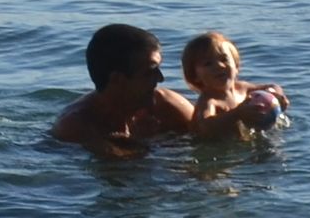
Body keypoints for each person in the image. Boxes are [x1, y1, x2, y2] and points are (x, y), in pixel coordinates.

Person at [49, 24, 200, 154]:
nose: (160, 78)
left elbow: (209, 136)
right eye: (150, 71)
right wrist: (142, 142)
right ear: (117, 80)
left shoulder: (167, 104)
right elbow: (120, 174)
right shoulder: (77, 126)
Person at [176, 30, 288, 135]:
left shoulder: (243, 89)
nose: (219, 66)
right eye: (208, 64)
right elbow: (206, 125)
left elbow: (272, 86)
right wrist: (237, 114)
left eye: (224, 59)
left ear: (236, 66)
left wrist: (276, 95)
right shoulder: (209, 101)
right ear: (195, 76)